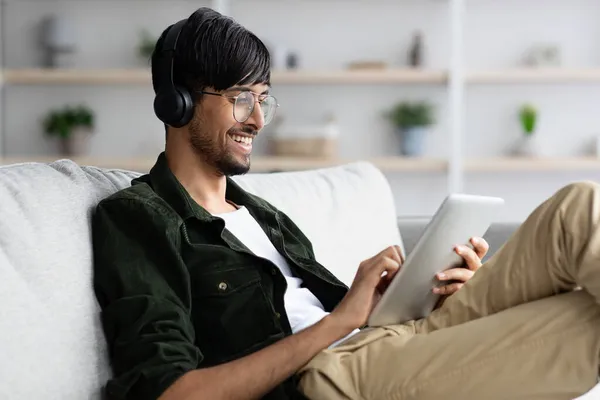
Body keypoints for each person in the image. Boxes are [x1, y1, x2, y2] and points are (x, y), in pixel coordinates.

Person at [91, 7, 600, 400]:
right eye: (240, 97)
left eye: (263, 98)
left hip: (390, 339)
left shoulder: (264, 216)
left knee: (578, 209)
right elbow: (168, 392)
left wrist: (422, 296)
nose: (258, 120)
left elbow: (344, 316)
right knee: (585, 323)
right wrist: (341, 323)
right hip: (328, 382)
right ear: (177, 100)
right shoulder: (140, 217)